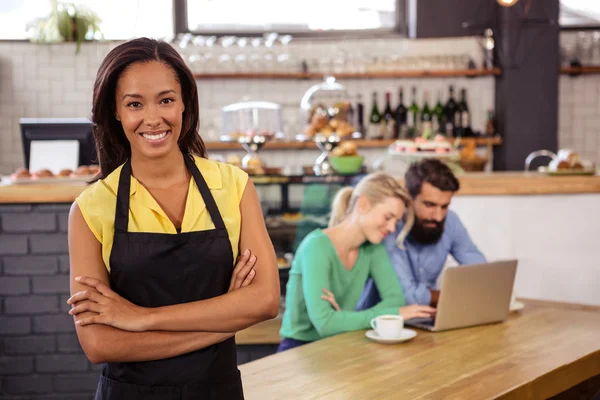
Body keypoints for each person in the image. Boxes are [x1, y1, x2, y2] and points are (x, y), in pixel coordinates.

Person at [66, 37, 280, 400]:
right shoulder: (91, 208)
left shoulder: (234, 186)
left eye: (166, 100)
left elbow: (265, 302)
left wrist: (142, 318)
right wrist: (224, 321)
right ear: (116, 111)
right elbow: (99, 343)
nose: (153, 118)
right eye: (135, 103)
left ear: (184, 104)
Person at [278, 173, 436, 352]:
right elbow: (326, 325)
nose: (392, 228)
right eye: (387, 217)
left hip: (341, 343)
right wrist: (389, 314)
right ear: (362, 204)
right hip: (299, 350)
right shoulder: (316, 246)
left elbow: (395, 300)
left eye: (396, 221)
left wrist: (344, 318)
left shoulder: (373, 248)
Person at [357, 159, 486, 309]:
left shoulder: (450, 220)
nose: (438, 216)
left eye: (444, 206)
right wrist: (455, 297)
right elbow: (406, 295)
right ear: (408, 196)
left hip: (423, 320)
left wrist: (485, 288)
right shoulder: (388, 227)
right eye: (429, 205)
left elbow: (480, 270)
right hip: (379, 325)